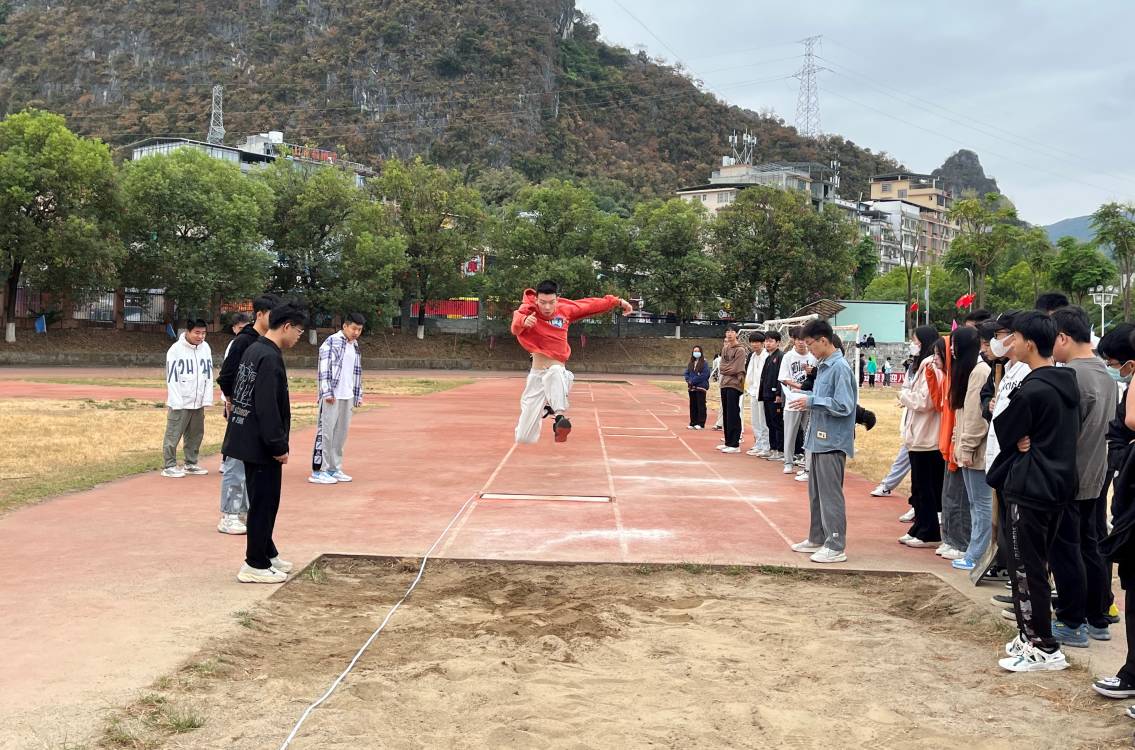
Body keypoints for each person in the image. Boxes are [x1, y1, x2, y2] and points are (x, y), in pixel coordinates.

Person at [987, 310, 1079, 672]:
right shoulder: (1063, 384)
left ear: (1029, 342)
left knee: (1027, 570)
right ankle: (1031, 637)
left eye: (1015, 338)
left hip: (1031, 488)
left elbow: (1006, 429)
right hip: (1056, 486)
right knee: (1036, 566)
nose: (1010, 343)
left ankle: (1042, 646)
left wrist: (1023, 440)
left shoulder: (1034, 389)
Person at [222, 302, 307, 584]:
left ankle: (267, 553)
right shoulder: (268, 357)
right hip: (259, 444)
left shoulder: (256, 348)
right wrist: (278, 445)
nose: (299, 336)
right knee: (264, 503)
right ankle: (255, 563)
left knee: (263, 501)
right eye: (298, 330)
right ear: (286, 327)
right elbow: (267, 406)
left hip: (248, 438)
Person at [1047, 306, 1116, 647]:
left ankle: (1072, 621)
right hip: (1096, 473)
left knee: (1066, 549)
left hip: (1069, 475)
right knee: (1091, 545)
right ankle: (1097, 618)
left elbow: (1061, 433)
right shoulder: (1104, 372)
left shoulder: (1071, 375)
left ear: (1063, 338)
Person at [510, 281, 633, 444]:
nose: (547, 307)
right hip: (536, 375)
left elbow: (589, 305)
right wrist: (523, 322)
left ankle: (559, 418)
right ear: (536, 300)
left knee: (554, 372)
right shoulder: (527, 310)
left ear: (557, 299)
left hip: (557, 372)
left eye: (551, 302)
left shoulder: (565, 309)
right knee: (523, 438)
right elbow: (515, 327)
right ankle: (547, 407)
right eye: (542, 303)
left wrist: (617, 301)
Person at [788, 320, 857, 564]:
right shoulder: (824, 366)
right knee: (816, 494)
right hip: (817, 439)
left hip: (832, 441)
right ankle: (817, 537)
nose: (809, 350)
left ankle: (836, 544)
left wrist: (812, 401)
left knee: (830, 495)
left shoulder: (839, 368)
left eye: (810, 344)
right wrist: (805, 397)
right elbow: (821, 397)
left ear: (823, 341)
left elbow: (844, 406)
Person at [216, 295, 281, 534]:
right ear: (261, 314)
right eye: (273, 315)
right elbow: (225, 376)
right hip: (241, 413)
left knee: (251, 464)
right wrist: (232, 401)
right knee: (236, 463)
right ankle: (229, 514)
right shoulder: (243, 341)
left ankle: (243, 511)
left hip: (257, 415)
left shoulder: (267, 342)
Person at [949, 327, 992, 571]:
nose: (952, 350)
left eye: (956, 344)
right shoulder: (969, 371)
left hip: (977, 450)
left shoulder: (980, 371)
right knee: (974, 502)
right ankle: (974, 550)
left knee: (981, 503)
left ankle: (977, 553)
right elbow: (962, 413)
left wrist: (966, 447)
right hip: (966, 447)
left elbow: (977, 418)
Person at [898, 326, 944, 548]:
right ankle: (919, 526)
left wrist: (904, 394)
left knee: (925, 487)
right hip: (919, 435)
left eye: (915, 340)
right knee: (918, 486)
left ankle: (929, 531)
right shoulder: (922, 365)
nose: (912, 344)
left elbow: (926, 401)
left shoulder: (929, 366)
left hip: (927, 436)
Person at [310, 313, 366, 484]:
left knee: (341, 434)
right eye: (354, 328)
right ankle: (319, 471)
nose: (356, 332)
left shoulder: (354, 345)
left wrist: (358, 394)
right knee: (326, 433)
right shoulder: (331, 342)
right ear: (345, 326)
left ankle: (334, 468)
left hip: (347, 395)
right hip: (332, 395)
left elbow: (356, 372)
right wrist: (327, 392)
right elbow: (324, 368)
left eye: (359, 330)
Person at [162, 319, 214, 479]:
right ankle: (169, 465)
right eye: (197, 332)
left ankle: (190, 463)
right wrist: (176, 401)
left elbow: (209, 374)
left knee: (195, 434)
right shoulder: (175, 350)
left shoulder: (205, 348)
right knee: (173, 433)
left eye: (203, 333)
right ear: (188, 332)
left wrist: (207, 398)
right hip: (181, 400)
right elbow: (172, 377)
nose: (200, 336)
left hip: (198, 400)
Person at [779, 328, 817, 476]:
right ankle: (788, 462)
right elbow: (784, 377)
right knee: (790, 433)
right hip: (793, 399)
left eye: (804, 339)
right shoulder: (788, 356)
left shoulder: (813, 356)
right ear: (794, 340)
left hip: (809, 398)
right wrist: (799, 386)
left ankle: (808, 465)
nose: (802, 342)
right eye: (798, 339)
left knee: (808, 433)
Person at [716, 326, 747, 454]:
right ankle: (728, 442)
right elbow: (721, 367)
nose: (729, 334)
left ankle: (735, 444)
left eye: (732, 332)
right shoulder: (725, 348)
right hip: (724, 384)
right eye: (727, 331)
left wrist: (727, 369)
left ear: (736, 334)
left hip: (735, 384)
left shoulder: (740, 350)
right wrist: (728, 368)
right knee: (727, 414)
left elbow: (737, 368)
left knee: (733, 413)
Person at [759, 332, 785, 461]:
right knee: (769, 422)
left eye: (771, 341)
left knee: (777, 423)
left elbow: (782, 377)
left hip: (775, 395)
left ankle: (780, 450)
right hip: (766, 395)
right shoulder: (768, 357)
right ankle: (773, 448)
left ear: (778, 342)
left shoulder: (780, 356)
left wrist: (779, 394)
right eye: (766, 341)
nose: (768, 343)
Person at [744, 332, 771, 455]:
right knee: (755, 420)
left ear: (762, 343)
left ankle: (766, 446)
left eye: (757, 342)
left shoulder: (767, 356)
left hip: (763, 392)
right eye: (752, 342)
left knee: (763, 420)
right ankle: (758, 443)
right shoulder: (751, 356)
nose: (755, 344)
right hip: (753, 391)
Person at [684, 345, 710, 430]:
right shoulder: (691, 363)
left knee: (701, 405)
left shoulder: (704, 363)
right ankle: (693, 422)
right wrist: (688, 380)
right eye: (694, 351)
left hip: (700, 387)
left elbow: (705, 375)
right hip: (692, 388)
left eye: (698, 351)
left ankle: (701, 423)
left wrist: (693, 380)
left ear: (701, 352)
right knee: (693, 405)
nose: (696, 353)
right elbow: (687, 373)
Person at [711, 350, 724, 430]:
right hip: (722, 382)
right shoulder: (719, 360)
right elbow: (715, 368)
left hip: (734, 384)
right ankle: (720, 423)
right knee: (722, 404)